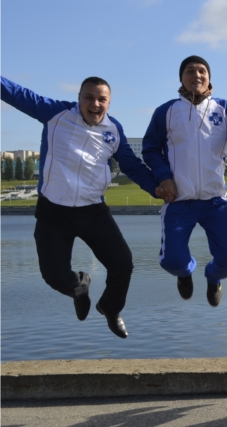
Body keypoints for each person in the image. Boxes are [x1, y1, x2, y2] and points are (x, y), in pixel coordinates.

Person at [1, 76, 173, 338]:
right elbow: (18, 94)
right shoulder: (56, 113)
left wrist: (155, 187)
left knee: (123, 264)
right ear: (79, 99)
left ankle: (110, 308)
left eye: (101, 99)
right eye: (89, 98)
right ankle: (79, 287)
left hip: (93, 211)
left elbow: (131, 165)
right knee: (54, 276)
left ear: (109, 103)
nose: (95, 104)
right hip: (53, 212)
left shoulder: (113, 130)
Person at [142, 55, 227, 307]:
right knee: (172, 261)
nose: (197, 75)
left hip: (215, 201)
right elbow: (149, 149)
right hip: (179, 200)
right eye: (190, 71)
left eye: (202, 71)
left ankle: (213, 278)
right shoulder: (167, 111)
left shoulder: (225, 109)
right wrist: (164, 177)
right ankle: (184, 273)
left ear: (209, 78)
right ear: (181, 78)